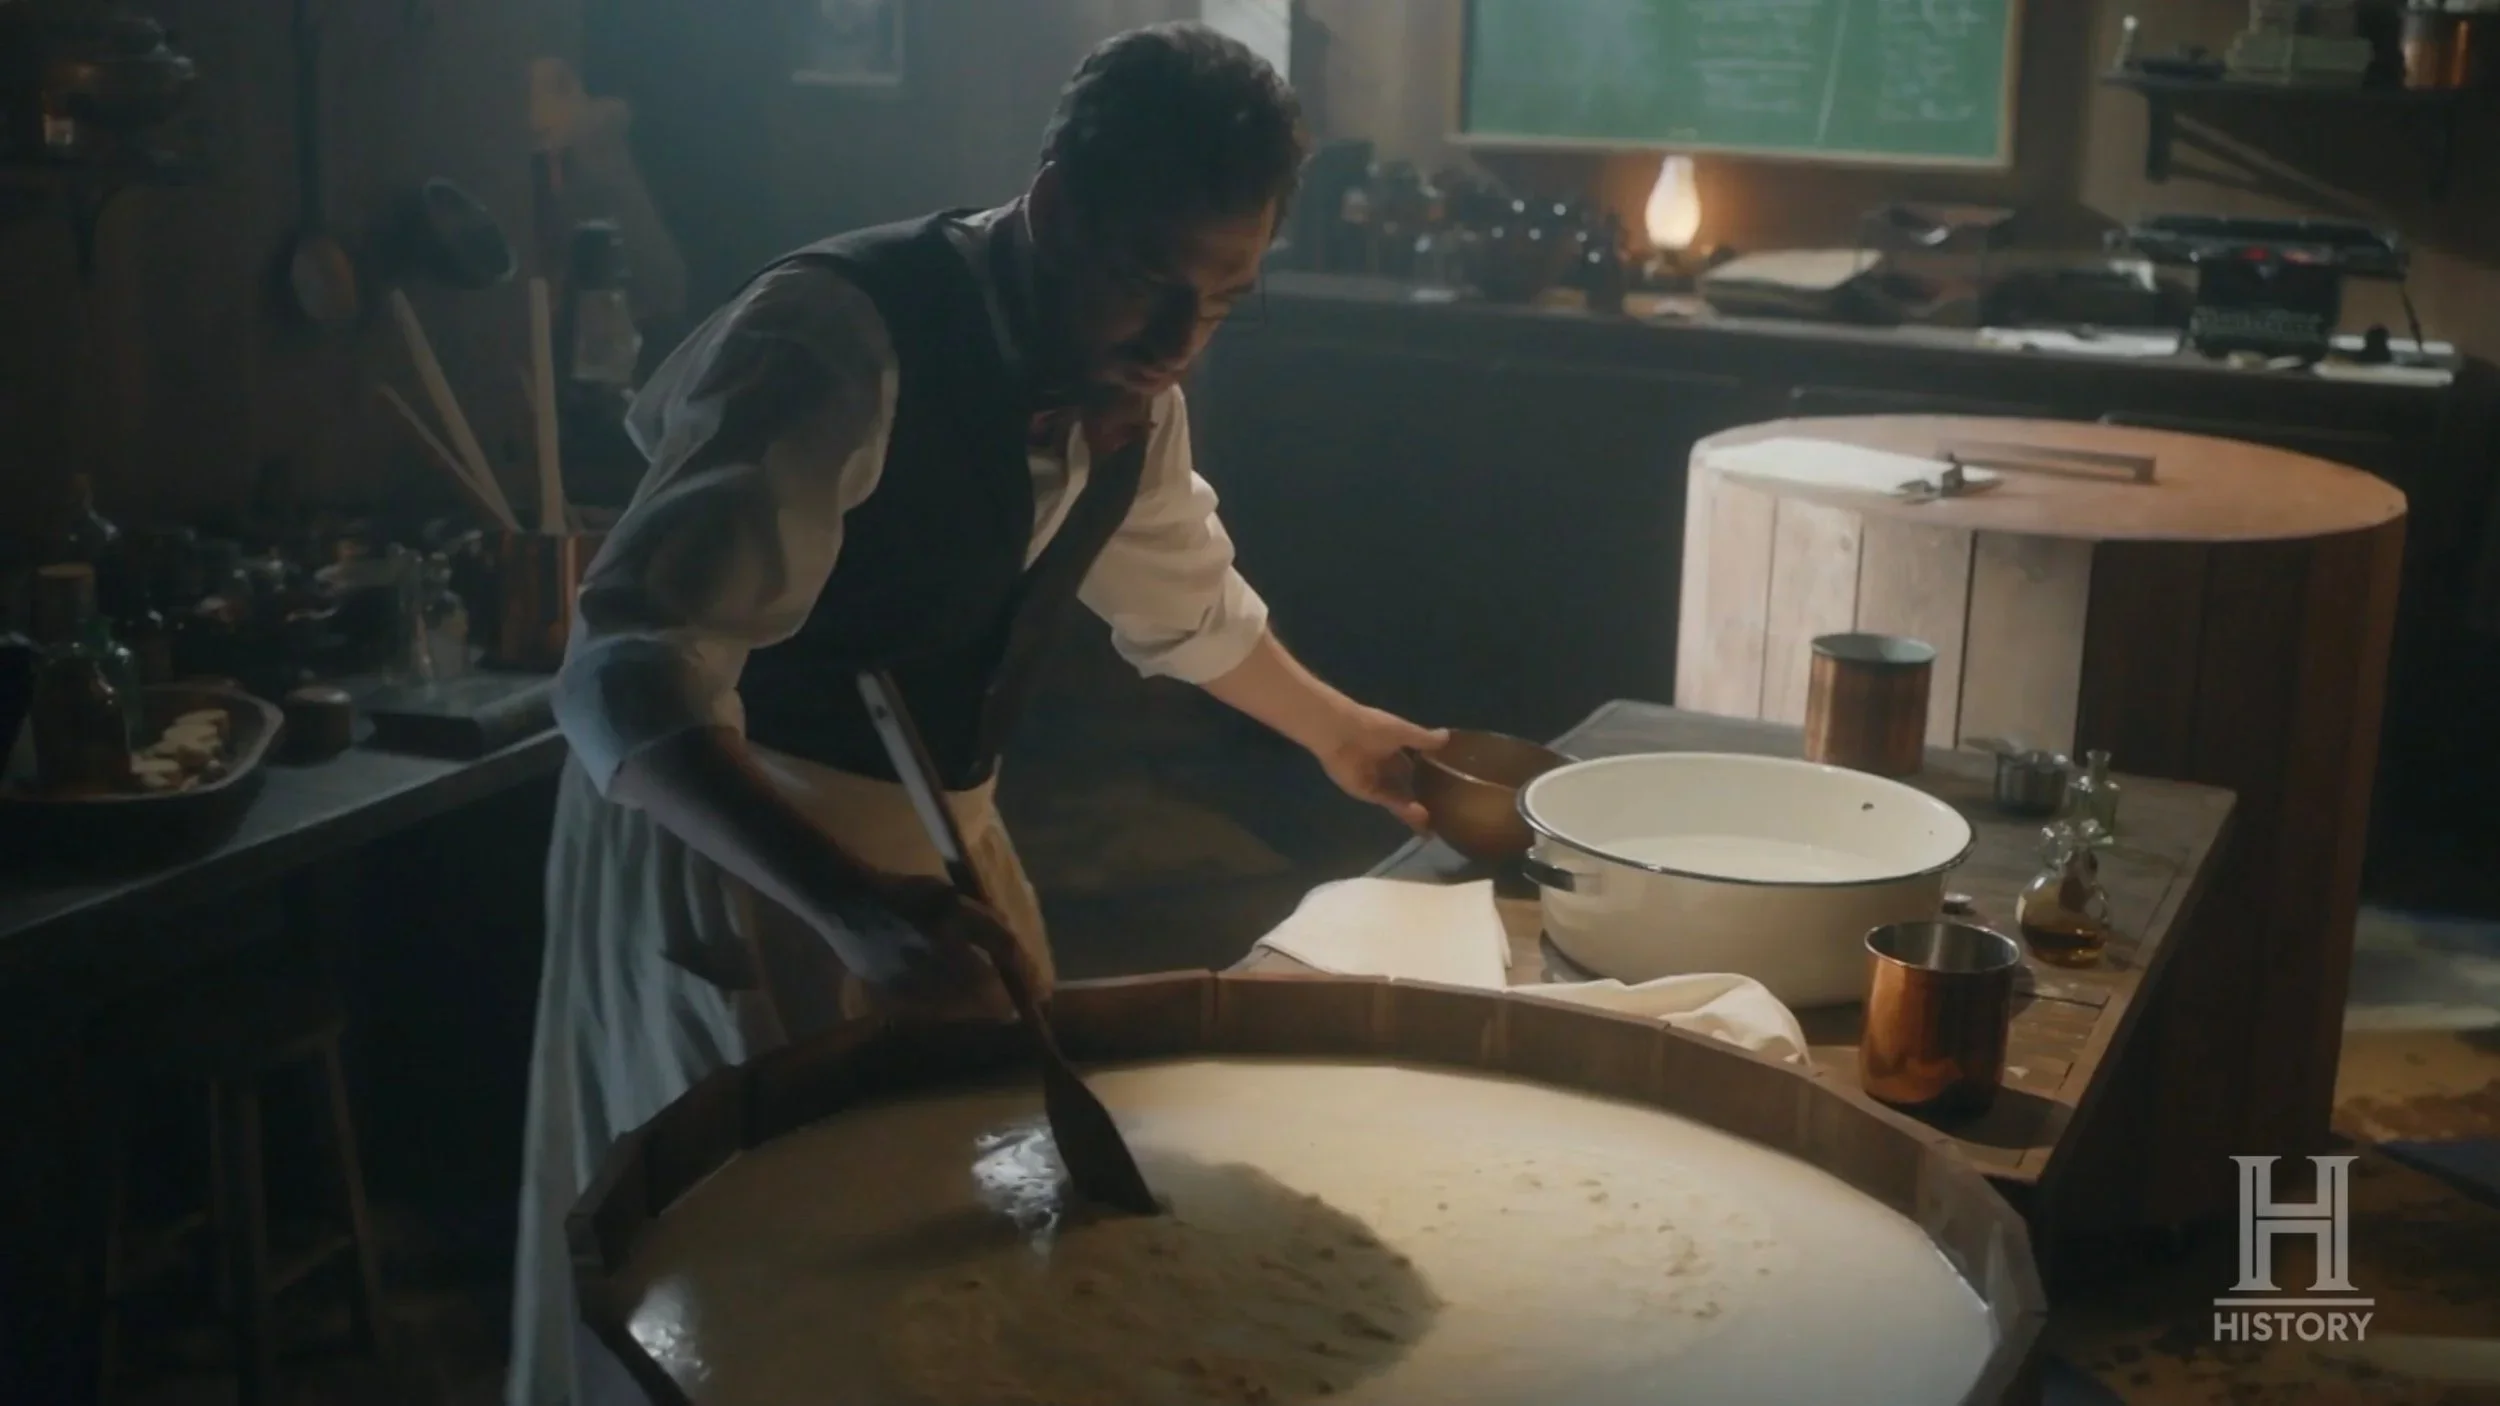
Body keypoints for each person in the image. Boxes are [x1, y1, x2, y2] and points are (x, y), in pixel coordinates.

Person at [507, 22, 1446, 1405]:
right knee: (751, 1270)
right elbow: (623, 669)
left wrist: (1341, 731)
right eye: (1150, 281)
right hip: (725, 831)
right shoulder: (836, 339)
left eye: (1227, 299)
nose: (1181, 340)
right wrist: (853, 905)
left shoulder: (1127, 377)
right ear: (1057, 204)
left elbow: (1185, 600)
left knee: (952, 1244)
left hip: (929, 835)